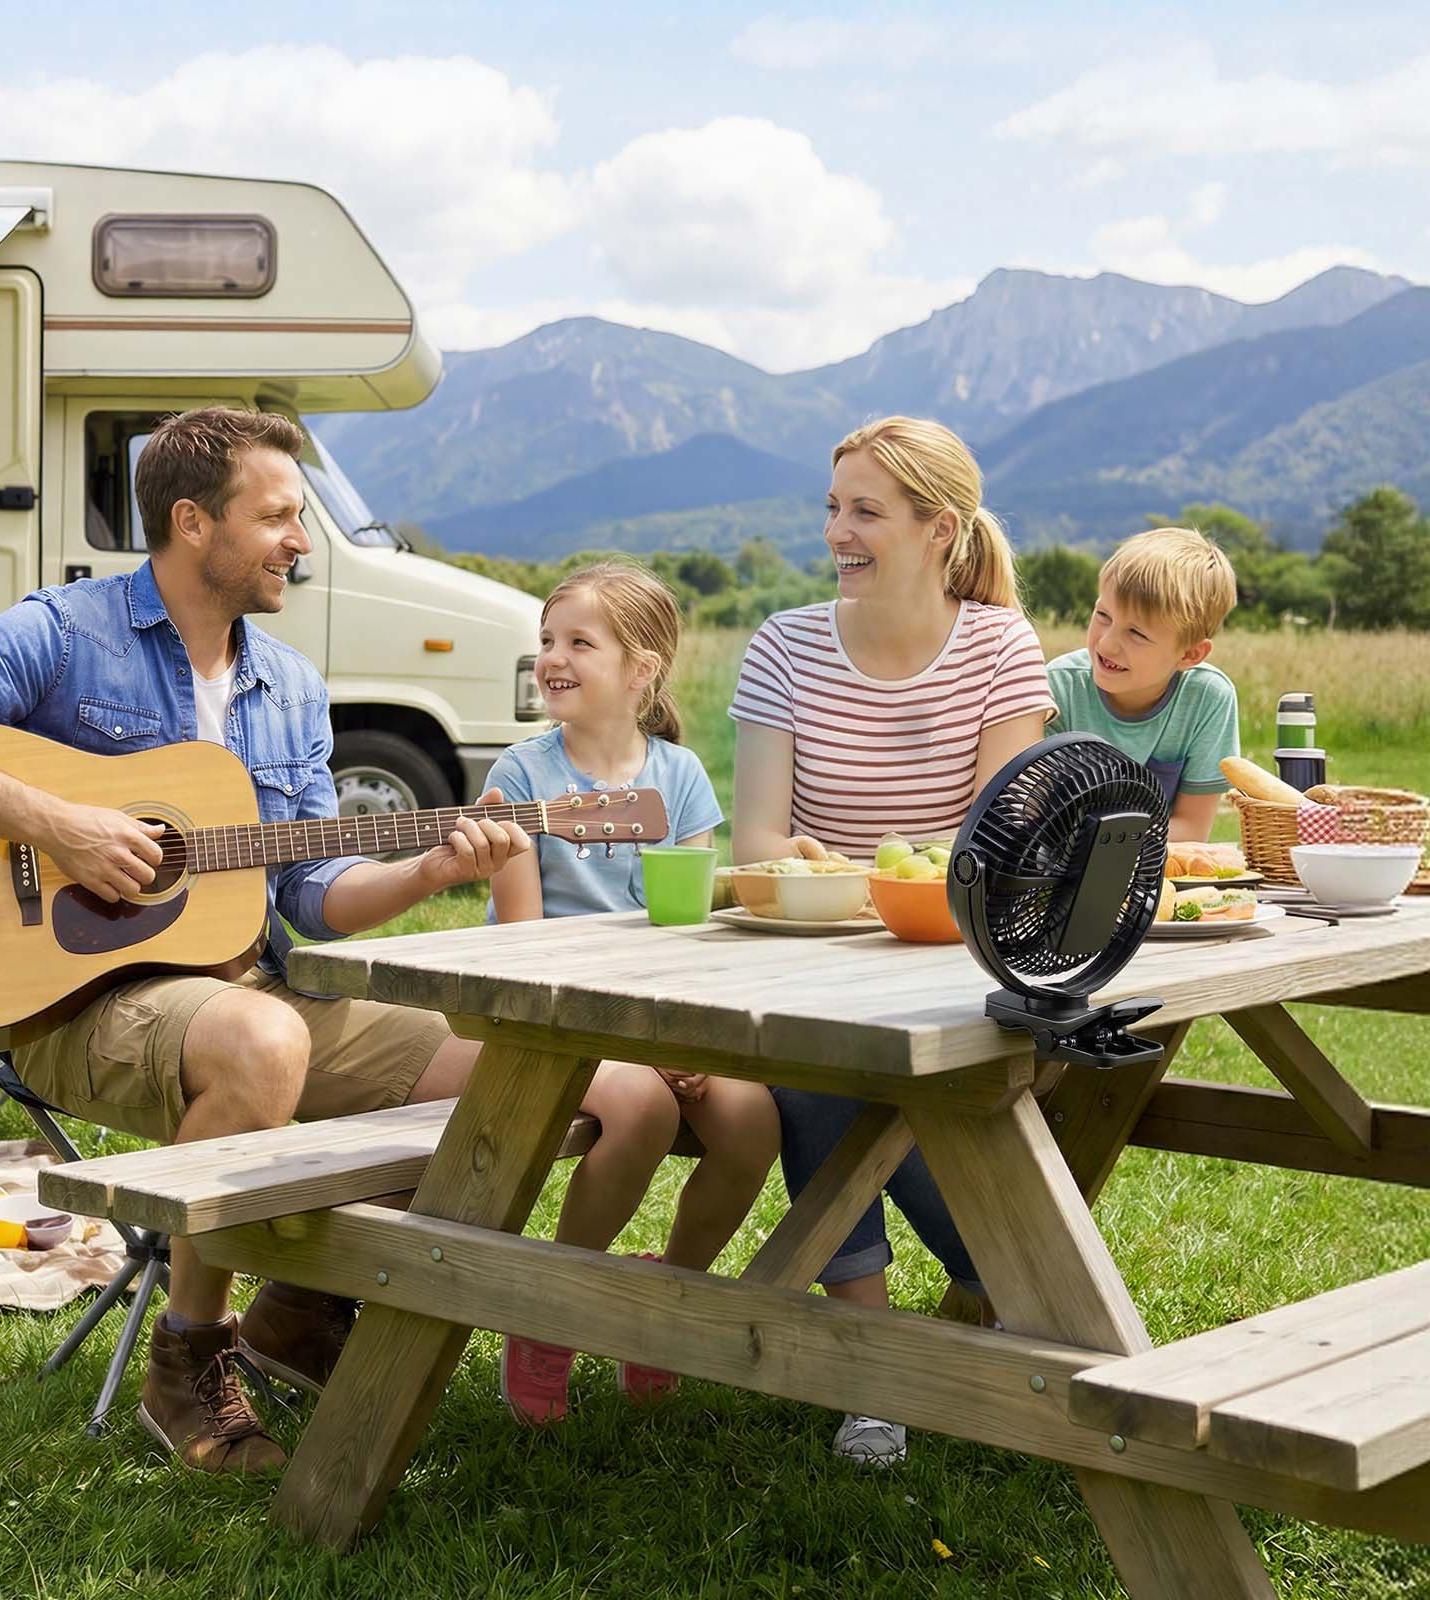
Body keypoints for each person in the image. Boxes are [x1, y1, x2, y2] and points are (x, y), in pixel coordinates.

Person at [0, 408, 531, 1474]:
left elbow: (309, 891)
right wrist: (57, 822)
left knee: (492, 1067)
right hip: (78, 1005)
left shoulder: (288, 683)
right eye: (280, 516)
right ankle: (187, 1360)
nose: (301, 539)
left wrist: (426, 870)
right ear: (194, 522)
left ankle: (302, 1308)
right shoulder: (68, 632)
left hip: (245, 982)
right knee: (260, 1041)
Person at [729, 415, 1055, 1466]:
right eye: (832, 507)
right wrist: (878, 874)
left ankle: (993, 1306)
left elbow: (991, 846)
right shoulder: (785, 644)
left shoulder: (1000, 646)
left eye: (865, 510)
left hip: (957, 967)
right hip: (809, 963)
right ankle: (891, 1359)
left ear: (938, 528)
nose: (838, 532)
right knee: (823, 1067)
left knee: (900, 1081)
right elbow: (757, 843)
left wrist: (848, 869)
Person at [483, 560, 780, 1426]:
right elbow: (524, 947)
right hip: (549, 1018)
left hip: (661, 1014)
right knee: (644, 1108)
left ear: (641, 670)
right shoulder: (523, 773)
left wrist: (683, 1038)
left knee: (752, 1117)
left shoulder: (679, 775)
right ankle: (555, 1305)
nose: (554, 657)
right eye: (547, 641)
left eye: (580, 642)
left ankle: (665, 1302)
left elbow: (690, 932)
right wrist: (644, 1048)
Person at [1046, 527, 1240, 843]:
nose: (1106, 645)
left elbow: (1191, 830)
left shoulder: (1208, 698)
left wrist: (1103, 843)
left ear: (1190, 654)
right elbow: (1037, 818)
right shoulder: (1060, 687)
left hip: (1154, 875)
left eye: (1136, 633)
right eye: (1103, 615)